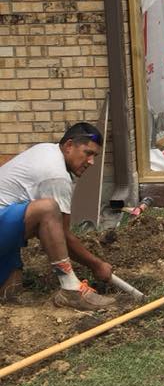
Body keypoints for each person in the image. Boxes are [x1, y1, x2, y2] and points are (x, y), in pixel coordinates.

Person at [0, 123, 116, 311]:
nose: (91, 161)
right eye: (88, 153)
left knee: (10, 293)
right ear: (69, 145)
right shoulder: (56, 176)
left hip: (5, 231)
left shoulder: (46, 149)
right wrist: (97, 265)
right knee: (47, 209)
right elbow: (61, 235)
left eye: (95, 155)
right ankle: (70, 289)